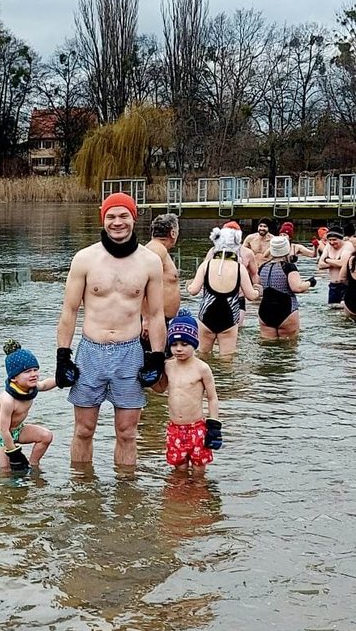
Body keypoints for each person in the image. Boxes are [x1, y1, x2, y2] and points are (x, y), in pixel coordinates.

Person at [55, 192, 166, 469]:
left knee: (127, 433)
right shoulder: (85, 259)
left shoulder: (150, 262)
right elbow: (69, 311)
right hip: (91, 351)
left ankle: (126, 497)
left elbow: (155, 314)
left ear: (134, 217)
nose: (117, 222)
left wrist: (156, 357)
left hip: (130, 353)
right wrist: (62, 356)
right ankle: (82, 492)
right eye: (111, 216)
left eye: (123, 216)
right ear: (103, 219)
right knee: (84, 430)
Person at [153, 312, 221, 470]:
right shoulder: (168, 366)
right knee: (179, 471)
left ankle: (199, 494)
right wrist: (149, 380)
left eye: (184, 344)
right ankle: (181, 494)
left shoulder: (202, 368)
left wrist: (214, 426)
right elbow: (160, 388)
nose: (179, 349)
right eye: (174, 345)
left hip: (197, 429)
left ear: (194, 343)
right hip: (175, 428)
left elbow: (212, 398)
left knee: (199, 471)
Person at [187, 226, 257, 360]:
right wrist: (258, 290)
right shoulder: (239, 268)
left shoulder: (206, 265)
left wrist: (187, 286)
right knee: (226, 360)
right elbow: (251, 296)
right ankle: (225, 381)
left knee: (202, 355)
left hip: (207, 315)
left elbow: (193, 291)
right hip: (229, 317)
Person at [0, 340, 56, 472]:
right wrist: (14, 453)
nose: (33, 374)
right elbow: (4, 430)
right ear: (14, 378)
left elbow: (45, 385)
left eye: (35, 370)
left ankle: (33, 465)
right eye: (27, 372)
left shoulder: (31, 387)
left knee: (46, 436)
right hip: (1, 435)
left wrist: (61, 379)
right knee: (6, 470)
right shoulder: (8, 400)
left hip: (18, 429)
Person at [257, 234, 316, 340]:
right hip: (285, 309)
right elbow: (297, 288)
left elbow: (259, 287)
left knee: (267, 347)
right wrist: (310, 282)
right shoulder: (289, 267)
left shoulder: (263, 267)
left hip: (265, 310)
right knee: (289, 348)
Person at [143, 212, 181, 351]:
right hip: (155, 321)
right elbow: (141, 283)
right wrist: (146, 319)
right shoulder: (156, 250)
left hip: (160, 319)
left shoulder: (158, 249)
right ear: (172, 233)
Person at [317, 224, 351, 305]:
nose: (332, 242)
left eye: (335, 240)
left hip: (345, 285)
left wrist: (327, 259)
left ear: (341, 239)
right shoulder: (328, 246)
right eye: (330, 240)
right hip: (332, 286)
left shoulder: (348, 246)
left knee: (343, 311)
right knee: (331, 312)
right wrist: (336, 262)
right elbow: (320, 265)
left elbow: (343, 263)